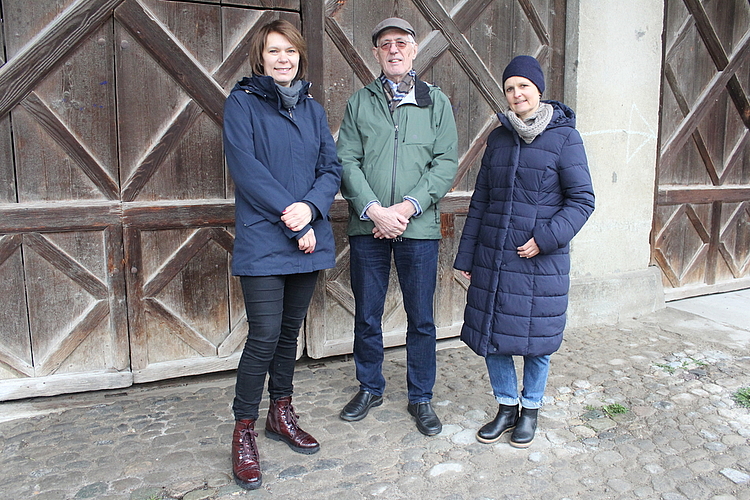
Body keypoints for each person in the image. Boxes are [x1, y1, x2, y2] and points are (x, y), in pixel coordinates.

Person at [222, 19, 342, 489]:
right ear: (261, 57)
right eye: (274, 51)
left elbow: (329, 168)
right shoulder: (243, 103)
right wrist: (293, 217)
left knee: (289, 333)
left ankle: (281, 412)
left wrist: (310, 210)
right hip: (265, 238)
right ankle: (243, 430)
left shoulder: (312, 109)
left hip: (307, 235)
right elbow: (246, 168)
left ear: (299, 56)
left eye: (290, 51)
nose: (283, 58)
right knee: (265, 335)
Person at [453, 55, 595, 448]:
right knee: (491, 336)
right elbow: (481, 200)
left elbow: (582, 200)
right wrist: (466, 257)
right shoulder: (497, 137)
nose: (517, 94)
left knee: (537, 341)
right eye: (510, 88)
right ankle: (505, 407)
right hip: (494, 257)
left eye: (524, 87)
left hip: (539, 261)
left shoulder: (565, 136)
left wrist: (546, 239)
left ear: (539, 90)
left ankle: (530, 410)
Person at [337, 17, 458, 436]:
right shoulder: (359, 102)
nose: (393, 50)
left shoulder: (436, 103)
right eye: (385, 44)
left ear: (414, 50)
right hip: (368, 225)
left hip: (418, 227)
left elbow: (445, 163)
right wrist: (374, 210)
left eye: (401, 43)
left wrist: (406, 208)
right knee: (367, 313)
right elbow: (346, 161)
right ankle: (369, 386)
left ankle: (421, 396)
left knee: (421, 316)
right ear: (376, 53)